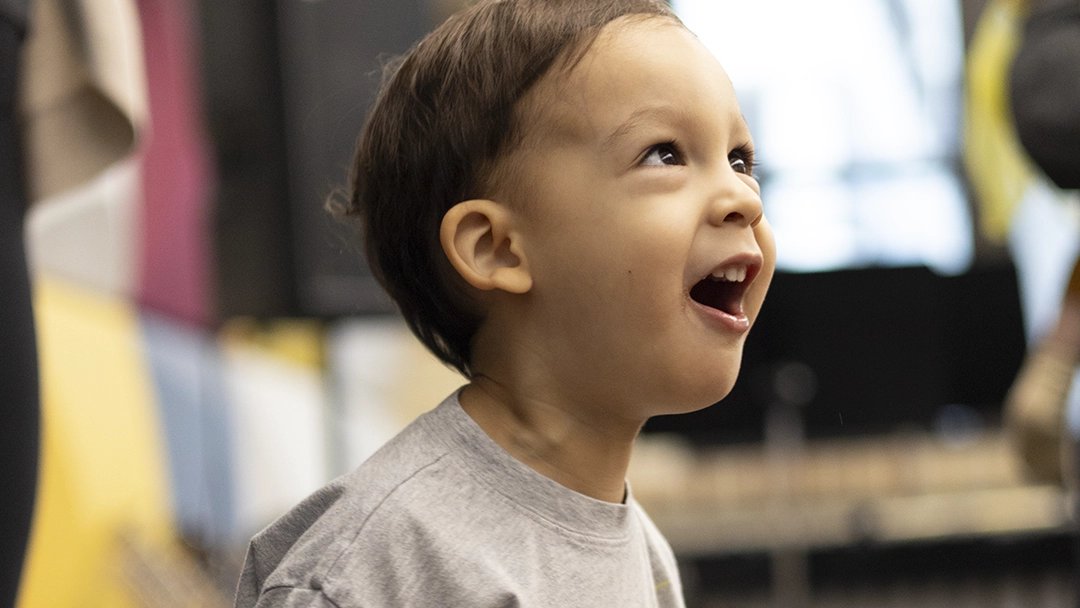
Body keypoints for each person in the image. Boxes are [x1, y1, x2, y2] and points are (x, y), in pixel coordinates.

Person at [235, 0, 774, 605]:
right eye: (665, 153)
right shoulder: (376, 570)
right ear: (497, 248)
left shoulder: (644, 556)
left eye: (739, 160)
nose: (744, 199)